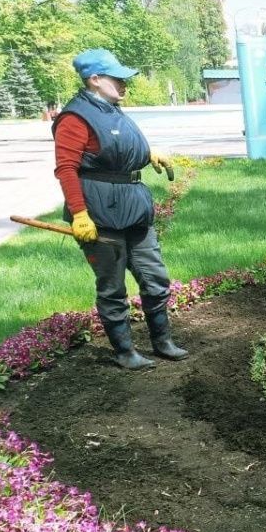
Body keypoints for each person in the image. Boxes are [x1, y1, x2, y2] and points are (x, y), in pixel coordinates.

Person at [52, 48, 186, 369]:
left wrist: (147, 153)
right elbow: (66, 169)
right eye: (118, 78)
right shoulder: (75, 118)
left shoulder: (112, 109)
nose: (125, 84)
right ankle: (125, 352)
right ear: (95, 79)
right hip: (99, 216)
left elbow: (114, 146)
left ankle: (162, 341)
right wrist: (80, 213)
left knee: (155, 277)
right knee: (112, 288)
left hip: (134, 209)